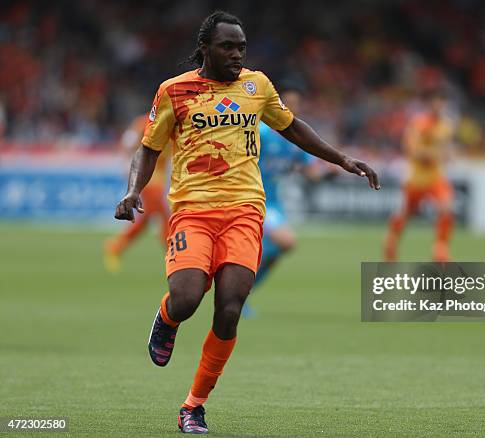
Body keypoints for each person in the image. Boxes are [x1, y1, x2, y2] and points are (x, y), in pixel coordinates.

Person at [113, 11, 379, 435]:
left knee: (230, 309)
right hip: (193, 212)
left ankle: (193, 406)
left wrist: (342, 158)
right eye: (228, 47)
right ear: (205, 49)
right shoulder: (174, 91)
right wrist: (133, 191)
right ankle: (166, 319)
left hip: (244, 211)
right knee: (185, 299)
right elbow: (148, 148)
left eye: (241, 47)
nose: (237, 54)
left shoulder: (257, 86)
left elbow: (292, 128)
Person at [242, 80, 321, 318]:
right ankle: (237, 287)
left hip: (274, 202)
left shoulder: (294, 137)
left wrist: (335, 169)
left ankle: (239, 292)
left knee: (278, 250)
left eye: (297, 104)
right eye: (289, 103)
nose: (293, 108)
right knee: (286, 241)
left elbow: (311, 171)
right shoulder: (262, 133)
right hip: (253, 197)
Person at [383, 90, 455, 262]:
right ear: (429, 104)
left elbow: (446, 152)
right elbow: (411, 149)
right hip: (416, 178)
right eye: (436, 102)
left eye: (442, 103)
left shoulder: (446, 125)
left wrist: (442, 155)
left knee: (446, 207)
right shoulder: (418, 123)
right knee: (405, 214)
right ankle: (391, 242)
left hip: (435, 177)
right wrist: (431, 154)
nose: (439, 106)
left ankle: (440, 248)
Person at [104, 114, 170, 273]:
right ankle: (172, 253)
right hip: (148, 177)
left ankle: (116, 246)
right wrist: (127, 165)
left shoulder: (174, 121)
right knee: (165, 215)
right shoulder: (144, 123)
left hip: (163, 178)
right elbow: (128, 143)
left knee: (147, 217)